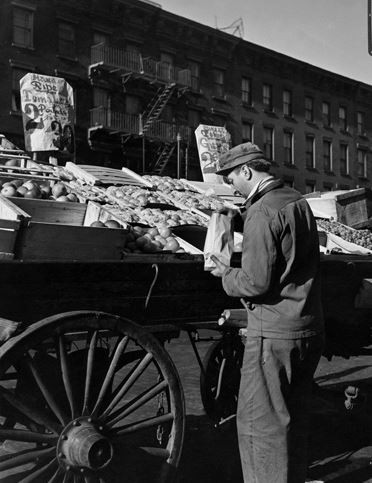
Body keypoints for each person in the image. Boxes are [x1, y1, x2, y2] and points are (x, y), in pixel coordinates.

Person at [210, 141, 324, 483]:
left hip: (273, 334)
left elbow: (255, 283)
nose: (231, 185)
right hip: (306, 327)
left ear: (246, 171)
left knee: (261, 426)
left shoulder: (261, 212)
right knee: (292, 418)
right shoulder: (297, 201)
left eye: (231, 177)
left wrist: (224, 274)